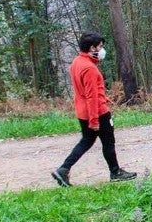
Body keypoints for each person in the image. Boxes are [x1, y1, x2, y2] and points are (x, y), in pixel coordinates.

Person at [52, 31, 137, 186]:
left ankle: (63, 169)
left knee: (86, 141)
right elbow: (91, 96)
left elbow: (84, 91)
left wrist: (103, 97)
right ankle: (115, 172)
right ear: (92, 48)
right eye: (100, 46)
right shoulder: (89, 68)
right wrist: (94, 120)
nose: (102, 50)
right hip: (97, 112)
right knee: (108, 141)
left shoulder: (76, 62)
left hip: (82, 111)